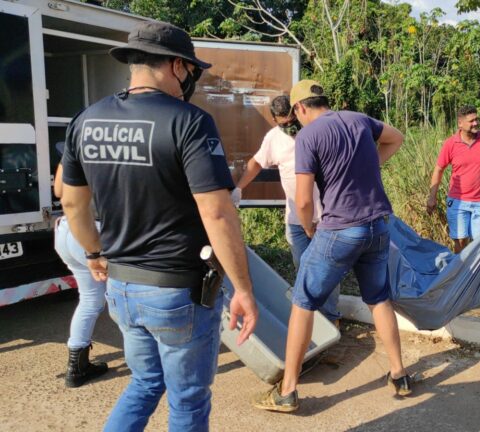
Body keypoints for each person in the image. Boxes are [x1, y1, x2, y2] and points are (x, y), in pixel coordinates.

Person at [60, 21, 259, 431]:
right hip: (176, 291)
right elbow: (217, 212)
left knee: (145, 383)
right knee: (187, 401)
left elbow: (72, 202)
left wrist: (95, 253)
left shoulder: (87, 120)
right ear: (176, 65)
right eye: (190, 69)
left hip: (121, 287)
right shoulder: (189, 121)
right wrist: (243, 289)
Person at [252, 80, 412, 413]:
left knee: (303, 300)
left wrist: (310, 227)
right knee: (379, 299)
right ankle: (399, 375)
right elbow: (396, 138)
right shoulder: (359, 119)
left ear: (299, 108)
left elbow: (304, 199)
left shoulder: (308, 136)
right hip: (377, 227)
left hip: (340, 228)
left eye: (296, 115)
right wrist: (370, 170)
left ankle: (287, 391)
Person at [232, 96, 340, 324]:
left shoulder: (315, 131)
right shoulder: (274, 139)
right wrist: (239, 188)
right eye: (284, 124)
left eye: (292, 121)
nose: (290, 127)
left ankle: (331, 318)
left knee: (327, 268)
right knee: (303, 269)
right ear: (274, 121)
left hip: (325, 217)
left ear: (298, 112)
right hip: (296, 219)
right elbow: (256, 162)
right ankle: (311, 321)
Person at [52, 156, 108, 388]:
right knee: (122, 297)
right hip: (95, 229)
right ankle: (146, 363)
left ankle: (76, 365)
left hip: (68, 227)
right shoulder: (121, 143)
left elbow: (58, 190)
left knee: (90, 300)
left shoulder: (75, 143)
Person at [427, 105, 480, 253]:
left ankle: (479, 275)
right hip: (458, 202)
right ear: (460, 123)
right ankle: (462, 274)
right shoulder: (450, 144)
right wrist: (432, 197)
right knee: (460, 241)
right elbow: (439, 170)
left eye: (476, 119)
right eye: (471, 121)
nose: (476, 123)